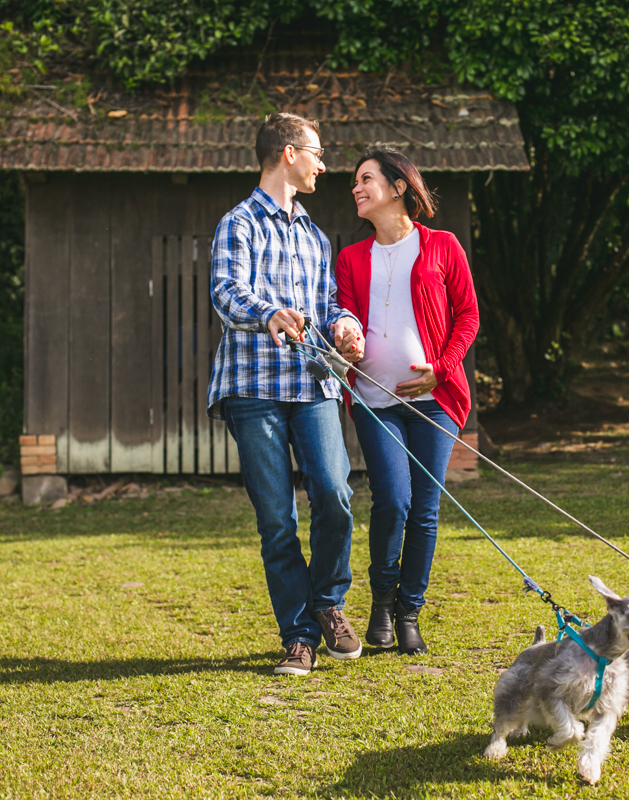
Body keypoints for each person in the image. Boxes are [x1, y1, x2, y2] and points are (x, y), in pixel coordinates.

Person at [207, 112, 366, 677]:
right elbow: (226, 293)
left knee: (334, 493)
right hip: (252, 390)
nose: (324, 163)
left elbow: (327, 307)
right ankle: (297, 637)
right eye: (317, 152)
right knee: (277, 519)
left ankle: (328, 602)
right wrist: (267, 311)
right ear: (288, 153)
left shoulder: (316, 236)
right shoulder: (240, 224)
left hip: (313, 384)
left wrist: (345, 326)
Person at [335, 146, 479, 655]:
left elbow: (468, 316)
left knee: (425, 508)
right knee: (392, 501)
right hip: (375, 400)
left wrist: (441, 370)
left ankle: (409, 612)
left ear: (399, 187)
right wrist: (345, 337)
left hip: (436, 402)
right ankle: (380, 603)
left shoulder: (442, 246)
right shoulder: (350, 258)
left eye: (366, 179)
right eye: (355, 181)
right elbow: (346, 315)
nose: (356, 187)